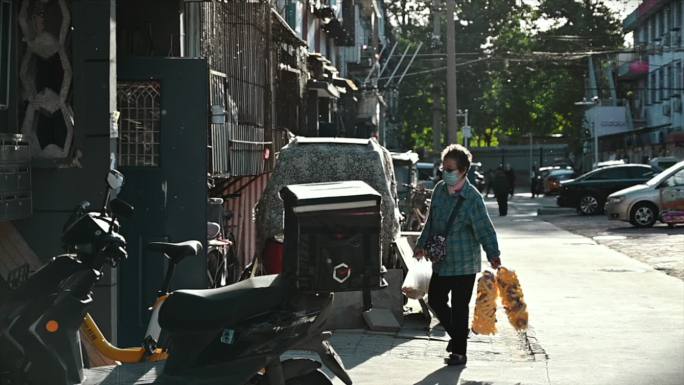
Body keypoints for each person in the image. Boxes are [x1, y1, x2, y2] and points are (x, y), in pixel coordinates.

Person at [414, 144, 502, 367]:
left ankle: (459, 353)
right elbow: (431, 222)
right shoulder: (439, 190)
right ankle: (458, 336)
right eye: (444, 168)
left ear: (463, 171)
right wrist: (421, 244)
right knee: (435, 299)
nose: (446, 173)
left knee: (460, 307)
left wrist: (493, 253)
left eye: (450, 169)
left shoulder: (472, 198)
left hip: (464, 263)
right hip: (441, 262)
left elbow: (484, 228)